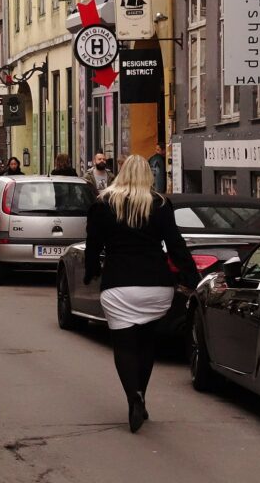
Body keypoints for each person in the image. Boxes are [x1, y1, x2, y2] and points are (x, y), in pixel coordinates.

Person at [83, 155, 200, 433]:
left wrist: (91, 272)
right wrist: (191, 277)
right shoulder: (160, 204)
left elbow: (93, 245)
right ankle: (141, 396)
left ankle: (133, 396)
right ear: (148, 175)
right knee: (147, 343)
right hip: (156, 285)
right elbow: (175, 245)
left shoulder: (103, 204)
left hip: (118, 284)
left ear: (121, 173)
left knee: (124, 346)